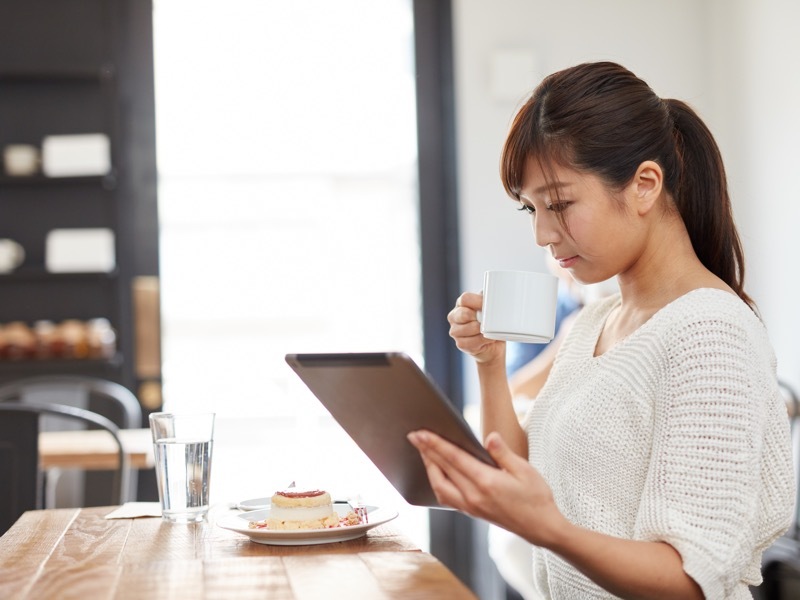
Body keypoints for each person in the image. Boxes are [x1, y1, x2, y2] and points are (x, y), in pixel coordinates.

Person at [407, 61, 795, 599]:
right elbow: (522, 473)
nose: (543, 232)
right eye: (531, 208)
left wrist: (552, 531)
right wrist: (490, 363)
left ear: (644, 186)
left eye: (560, 203)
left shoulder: (711, 334)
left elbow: (689, 580)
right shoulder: (596, 320)